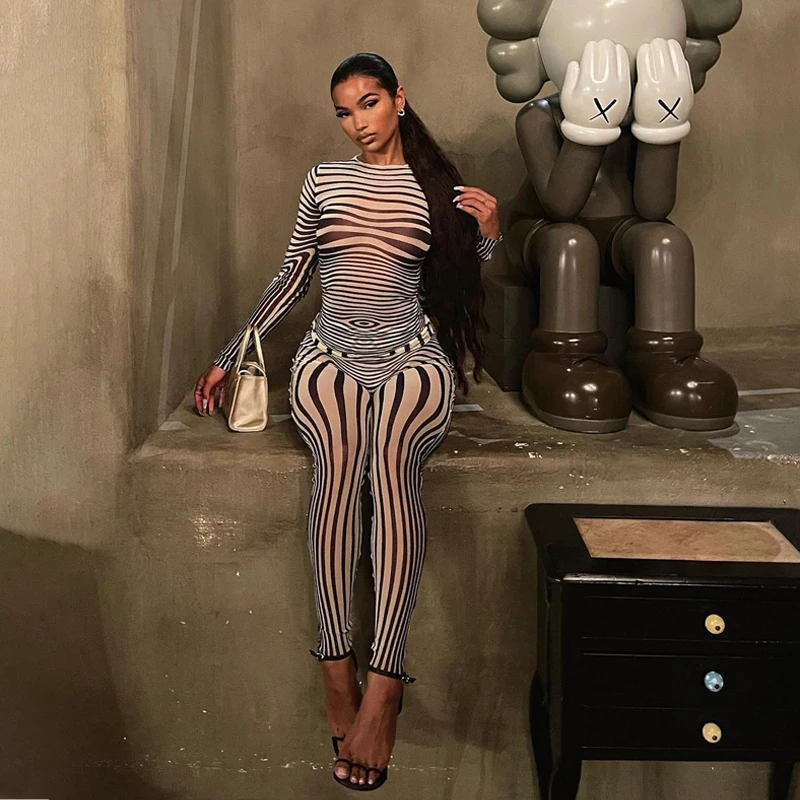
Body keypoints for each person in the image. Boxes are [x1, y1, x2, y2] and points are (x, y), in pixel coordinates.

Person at [194, 52, 502, 791]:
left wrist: (491, 231)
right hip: (328, 353)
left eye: (368, 103)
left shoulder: (434, 188)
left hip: (411, 354)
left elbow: (462, 278)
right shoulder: (325, 182)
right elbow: (294, 274)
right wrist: (233, 354)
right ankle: (338, 672)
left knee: (392, 466)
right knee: (337, 470)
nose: (357, 122)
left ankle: (385, 684)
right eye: (343, 111)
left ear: (399, 99)